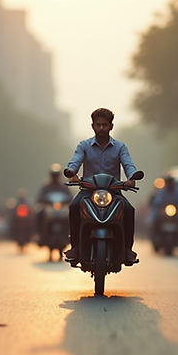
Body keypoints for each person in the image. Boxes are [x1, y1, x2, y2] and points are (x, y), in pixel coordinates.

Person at [63, 108, 139, 264]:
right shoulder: (84, 146)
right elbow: (75, 161)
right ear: (93, 126)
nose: (102, 128)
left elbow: (128, 165)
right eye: (98, 125)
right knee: (74, 207)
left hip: (114, 193)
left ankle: (126, 249)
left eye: (105, 125)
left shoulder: (120, 147)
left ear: (111, 126)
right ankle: (76, 247)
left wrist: (132, 177)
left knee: (129, 210)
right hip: (88, 192)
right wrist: (71, 172)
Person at [36, 164, 72, 235]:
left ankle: (71, 234)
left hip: (62, 208)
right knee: (39, 213)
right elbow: (39, 196)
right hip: (49, 208)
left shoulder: (64, 186)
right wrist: (43, 200)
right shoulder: (46, 186)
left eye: (56, 175)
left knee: (72, 214)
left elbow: (70, 196)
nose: (55, 177)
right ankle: (39, 234)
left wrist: (68, 200)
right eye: (53, 175)